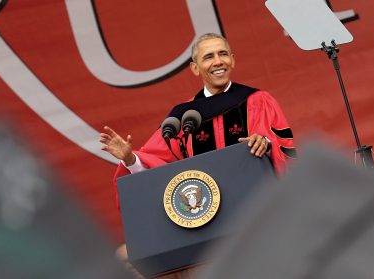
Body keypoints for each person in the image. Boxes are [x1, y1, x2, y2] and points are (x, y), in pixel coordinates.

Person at [100, 33, 296, 210]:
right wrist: (129, 159)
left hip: (257, 206)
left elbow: (284, 148)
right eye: (208, 57)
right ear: (195, 68)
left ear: (232, 61)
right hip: (207, 213)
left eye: (223, 54)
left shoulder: (257, 101)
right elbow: (157, 162)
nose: (218, 62)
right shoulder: (182, 117)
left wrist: (266, 144)